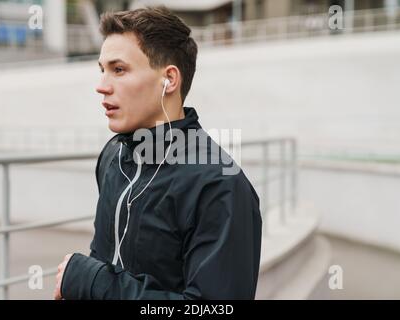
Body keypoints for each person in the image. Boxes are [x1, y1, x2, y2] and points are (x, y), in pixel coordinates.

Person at [54, 6, 262, 300]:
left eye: (119, 69)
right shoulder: (114, 157)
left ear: (170, 80)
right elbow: (105, 261)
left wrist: (92, 280)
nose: (102, 87)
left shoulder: (219, 185)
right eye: (102, 70)